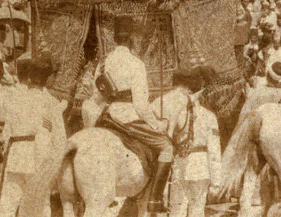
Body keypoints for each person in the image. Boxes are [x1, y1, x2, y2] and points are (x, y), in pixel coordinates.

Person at [92, 15, 173, 214]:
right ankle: (154, 201)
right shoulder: (136, 64)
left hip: (107, 117)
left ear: (115, 38)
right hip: (128, 118)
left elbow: (96, 97)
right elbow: (140, 105)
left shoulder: (103, 64)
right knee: (166, 147)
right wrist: (157, 124)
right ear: (131, 39)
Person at [0, 54, 66, 217]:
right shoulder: (51, 103)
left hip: (16, 157)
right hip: (38, 158)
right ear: (47, 80)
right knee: (41, 208)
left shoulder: (15, 100)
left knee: (7, 206)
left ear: (29, 78)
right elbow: (60, 140)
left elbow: (5, 135)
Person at [169, 68, 222, 217]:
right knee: (197, 210)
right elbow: (214, 151)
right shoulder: (209, 117)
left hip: (180, 164)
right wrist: (216, 180)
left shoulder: (177, 113)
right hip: (201, 168)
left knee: (176, 210)